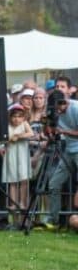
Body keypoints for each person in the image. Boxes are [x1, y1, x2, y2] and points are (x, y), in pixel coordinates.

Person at [43, 91, 78, 230]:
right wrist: (48, 127)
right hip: (68, 151)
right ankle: (53, 220)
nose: (57, 110)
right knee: (53, 184)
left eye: (59, 106)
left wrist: (63, 132)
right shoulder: (53, 110)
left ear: (65, 102)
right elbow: (50, 132)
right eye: (54, 107)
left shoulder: (75, 109)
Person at [0, 104, 33, 227]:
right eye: (14, 116)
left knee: (24, 180)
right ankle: (13, 203)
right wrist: (8, 141)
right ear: (10, 117)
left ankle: (23, 202)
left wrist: (19, 136)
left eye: (19, 116)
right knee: (12, 181)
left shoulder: (24, 124)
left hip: (23, 156)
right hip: (11, 155)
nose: (16, 119)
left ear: (23, 117)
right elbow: (2, 140)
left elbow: (31, 134)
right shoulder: (7, 126)